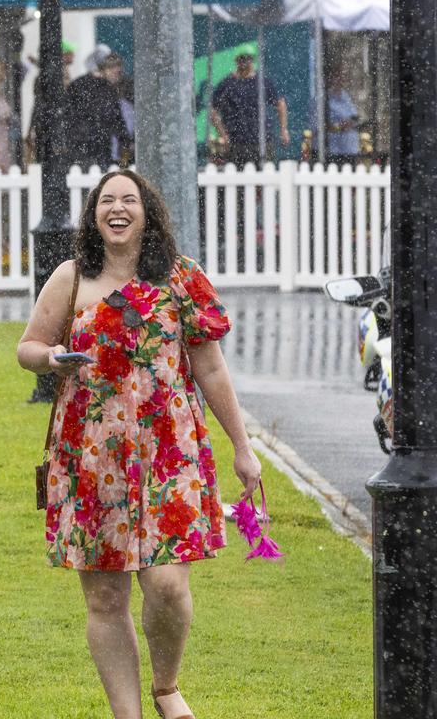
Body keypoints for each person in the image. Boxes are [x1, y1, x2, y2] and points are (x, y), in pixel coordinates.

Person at [16, 170, 262, 719]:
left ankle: (166, 686)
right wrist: (50, 358)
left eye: (129, 200)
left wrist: (242, 448)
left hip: (169, 451)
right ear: (94, 215)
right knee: (105, 596)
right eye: (107, 201)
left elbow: (212, 370)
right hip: (89, 454)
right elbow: (29, 346)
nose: (118, 209)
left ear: (148, 212)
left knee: (167, 584)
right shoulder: (72, 278)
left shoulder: (181, 279)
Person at [210, 50, 290, 166]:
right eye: (241, 59)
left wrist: (284, 129)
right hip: (236, 142)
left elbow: (280, 103)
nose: (244, 63)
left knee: (266, 178)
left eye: (247, 59)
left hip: (262, 141)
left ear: (252, 60)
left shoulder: (262, 82)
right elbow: (212, 111)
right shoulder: (227, 84)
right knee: (238, 179)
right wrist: (223, 134)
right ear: (236, 61)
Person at [64, 48, 127, 170]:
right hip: (98, 151)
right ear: (103, 68)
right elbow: (117, 122)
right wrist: (125, 149)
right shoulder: (107, 89)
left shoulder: (77, 85)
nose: (117, 71)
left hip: (80, 150)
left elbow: (67, 116)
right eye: (113, 67)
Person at [325, 67, 360, 166]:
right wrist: (339, 126)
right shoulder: (325, 99)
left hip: (350, 147)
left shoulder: (346, 96)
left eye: (342, 78)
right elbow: (324, 123)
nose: (339, 81)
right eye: (336, 77)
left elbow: (355, 116)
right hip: (334, 148)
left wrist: (349, 122)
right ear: (330, 79)